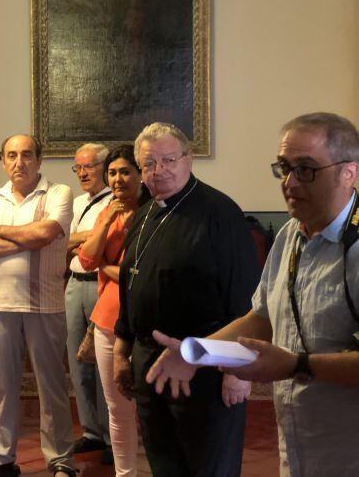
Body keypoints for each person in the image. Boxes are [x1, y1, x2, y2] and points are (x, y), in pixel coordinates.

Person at [146, 113, 359, 477]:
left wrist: (296, 365)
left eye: (306, 169)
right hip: (299, 439)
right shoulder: (292, 235)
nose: (290, 182)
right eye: (284, 168)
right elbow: (261, 317)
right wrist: (196, 350)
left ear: (348, 173)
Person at [113, 123, 260, 477]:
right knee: (164, 463)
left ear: (188, 159)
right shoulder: (144, 214)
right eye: (148, 163)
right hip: (149, 361)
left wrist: (238, 369)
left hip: (206, 363)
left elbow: (246, 297)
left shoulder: (220, 213)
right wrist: (122, 349)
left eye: (168, 160)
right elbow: (129, 283)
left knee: (210, 466)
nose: (158, 170)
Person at [0, 134, 75, 477]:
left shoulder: (59, 193)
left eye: (27, 155)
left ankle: (60, 460)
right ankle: (1, 458)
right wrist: (27, 238)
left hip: (45, 306)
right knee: (3, 387)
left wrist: (3, 231)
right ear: (3, 162)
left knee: (52, 387)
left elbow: (45, 234)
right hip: (0, 305)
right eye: (12, 156)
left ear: (39, 160)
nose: (19, 162)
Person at [77, 144, 149, 477]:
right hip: (108, 317)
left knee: (152, 406)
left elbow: (141, 272)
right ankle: (126, 474)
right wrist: (106, 223)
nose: (118, 179)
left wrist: (107, 266)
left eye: (125, 172)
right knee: (117, 407)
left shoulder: (155, 213)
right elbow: (87, 259)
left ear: (140, 174)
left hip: (150, 319)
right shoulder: (108, 210)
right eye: (113, 172)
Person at [65, 142, 113, 462]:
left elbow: (104, 242)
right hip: (73, 284)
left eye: (89, 166)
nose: (82, 173)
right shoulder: (78, 202)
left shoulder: (116, 202)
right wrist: (88, 236)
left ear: (105, 168)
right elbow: (65, 243)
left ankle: (112, 436)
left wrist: (87, 239)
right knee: (77, 360)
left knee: (103, 363)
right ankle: (91, 431)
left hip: (101, 285)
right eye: (78, 167)